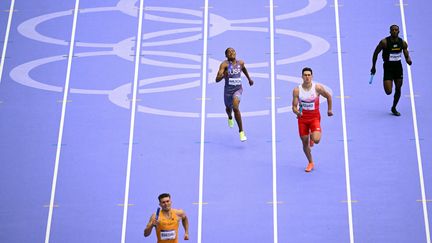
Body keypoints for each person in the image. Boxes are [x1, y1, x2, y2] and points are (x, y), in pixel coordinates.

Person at [292, 67, 333, 172]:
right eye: (305, 75)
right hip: (302, 119)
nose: (307, 77)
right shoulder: (297, 90)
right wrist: (297, 112)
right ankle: (310, 162)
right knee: (304, 143)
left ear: (312, 76)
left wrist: (329, 110)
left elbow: (328, 96)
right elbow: (294, 107)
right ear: (302, 77)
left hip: (314, 118)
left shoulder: (317, 88)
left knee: (316, 140)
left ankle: (312, 135)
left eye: (309, 75)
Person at [371, 24, 412, 116]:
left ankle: (394, 107)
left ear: (398, 31)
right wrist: (373, 66)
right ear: (390, 31)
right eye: (392, 30)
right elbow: (375, 53)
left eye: (396, 30)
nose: (394, 31)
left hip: (398, 68)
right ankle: (388, 81)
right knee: (388, 91)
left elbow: (406, 53)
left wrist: (408, 59)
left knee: (398, 88)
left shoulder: (403, 43)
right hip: (388, 68)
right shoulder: (384, 42)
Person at [216, 47, 254, 142]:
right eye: (229, 52)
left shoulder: (240, 63)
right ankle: (229, 117)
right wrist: (224, 75)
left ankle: (241, 132)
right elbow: (217, 79)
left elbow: (244, 69)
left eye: (233, 51)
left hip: (238, 90)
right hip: (228, 92)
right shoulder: (224, 65)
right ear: (226, 55)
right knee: (228, 109)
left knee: (236, 108)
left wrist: (249, 79)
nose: (232, 52)